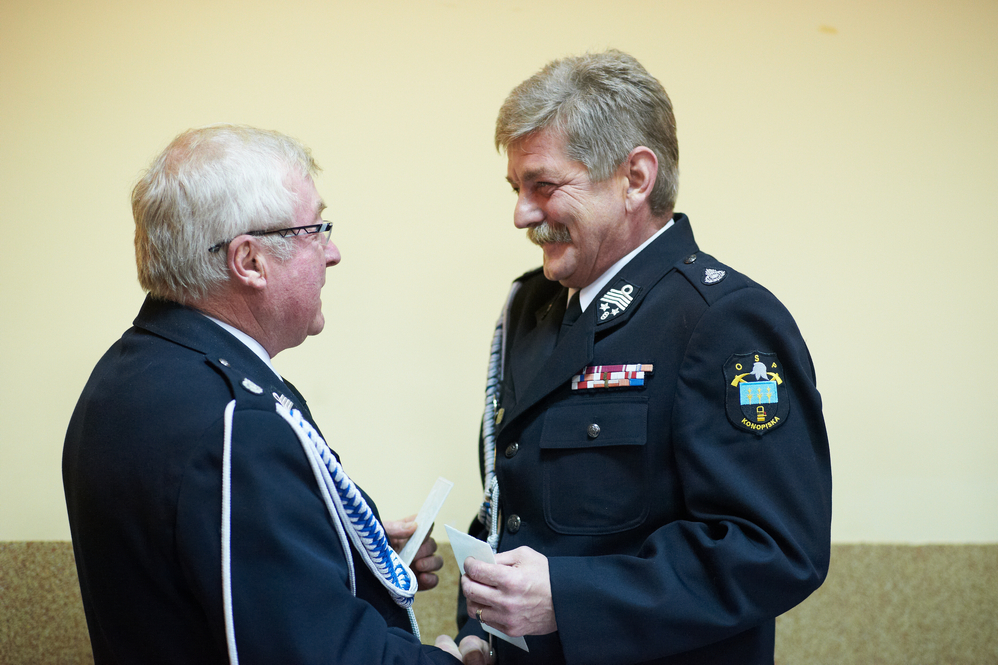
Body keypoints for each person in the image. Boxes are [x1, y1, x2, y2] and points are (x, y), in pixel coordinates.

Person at [456, 51, 832, 664]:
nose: (521, 213)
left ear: (635, 178)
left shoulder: (722, 319)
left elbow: (776, 550)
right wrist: (479, 629)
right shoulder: (531, 305)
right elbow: (509, 500)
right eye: (516, 188)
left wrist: (571, 598)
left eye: (543, 186)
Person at [63, 125, 489, 664]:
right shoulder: (239, 422)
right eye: (316, 230)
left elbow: (208, 560)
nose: (333, 253)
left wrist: (336, 545)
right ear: (249, 262)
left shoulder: (125, 375)